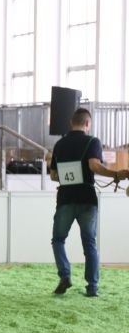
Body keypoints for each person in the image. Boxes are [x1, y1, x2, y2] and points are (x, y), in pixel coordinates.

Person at [49, 108, 129, 297]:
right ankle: (92, 287)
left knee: (58, 240)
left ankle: (65, 275)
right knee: (89, 243)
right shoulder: (93, 141)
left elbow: (53, 176)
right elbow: (94, 166)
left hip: (66, 199)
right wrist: (116, 174)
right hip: (87, 198)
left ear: (71, 123)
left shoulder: (59, 144)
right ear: (87, 124)